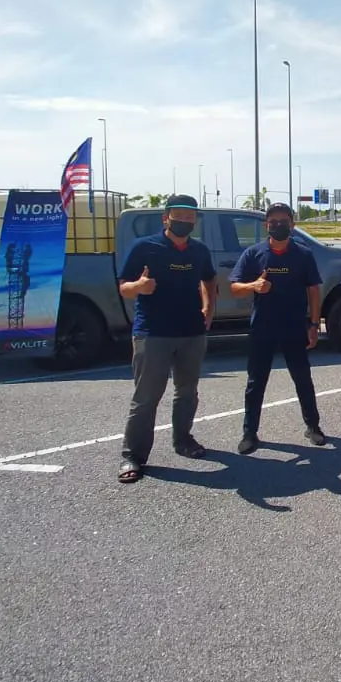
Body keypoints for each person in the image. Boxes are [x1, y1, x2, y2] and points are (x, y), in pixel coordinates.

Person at [115, 195, 217, 483]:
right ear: (166, 218)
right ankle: (133, 456)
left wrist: (209, 309)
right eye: (178, 215)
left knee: (187, 392)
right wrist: (140, 286)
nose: (184, 221)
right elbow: (124, 287)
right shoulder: (144, 247)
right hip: (153, 333)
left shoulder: (199, 250)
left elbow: (209, 279)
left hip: (191, 332)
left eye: (189, 216)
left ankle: (183, 440)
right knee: (146, 397)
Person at [230, 202, 327, 452]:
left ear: (292, 225)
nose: (278, 226)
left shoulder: (303, 254)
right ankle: (250, 433)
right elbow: (235, 287)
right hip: (262, 328)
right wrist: (254, 286)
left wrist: (314, 324)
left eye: (283, 221)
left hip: (294, 327)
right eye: (273, 222)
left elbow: (313, 291)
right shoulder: (254, 254)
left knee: (303, 379)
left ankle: (313, 426)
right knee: (256, 382)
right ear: (266, 226)